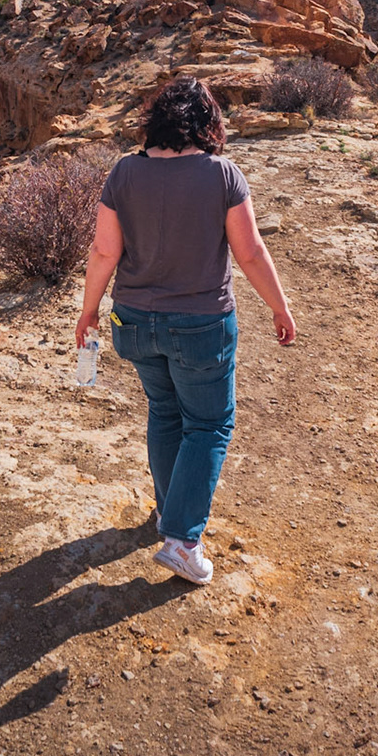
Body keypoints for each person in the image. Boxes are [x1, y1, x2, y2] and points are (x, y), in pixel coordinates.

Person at [76, 75, 297, 586]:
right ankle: (181, 539)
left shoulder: (124, 173)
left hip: (133, 323)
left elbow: (104, 251)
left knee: (166, 411)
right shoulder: (222, 175)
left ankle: (168, 512)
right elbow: (250, 252)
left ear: (156, 122)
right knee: (209, 424)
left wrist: (89, 311)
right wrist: (279, 307)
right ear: (208, 123)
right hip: (201, 326)